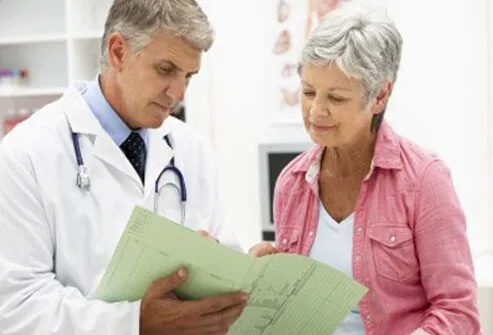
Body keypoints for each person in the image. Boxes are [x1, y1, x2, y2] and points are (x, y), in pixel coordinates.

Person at [0, 0, 248, 334]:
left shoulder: (191, 149)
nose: (178, 93)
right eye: (166, 70)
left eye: (188, 77)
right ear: (118, 52)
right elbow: (16, 307)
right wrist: (134, 323)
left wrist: (236, 269)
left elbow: (223, 251)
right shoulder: (26, 153)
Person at [250, 2, 481, 334]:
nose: (316, 111)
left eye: (337, 98)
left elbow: (457, 311)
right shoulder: (292, 182)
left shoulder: (423, 180)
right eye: (309, 92)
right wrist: (266, 278)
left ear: (380, 95)